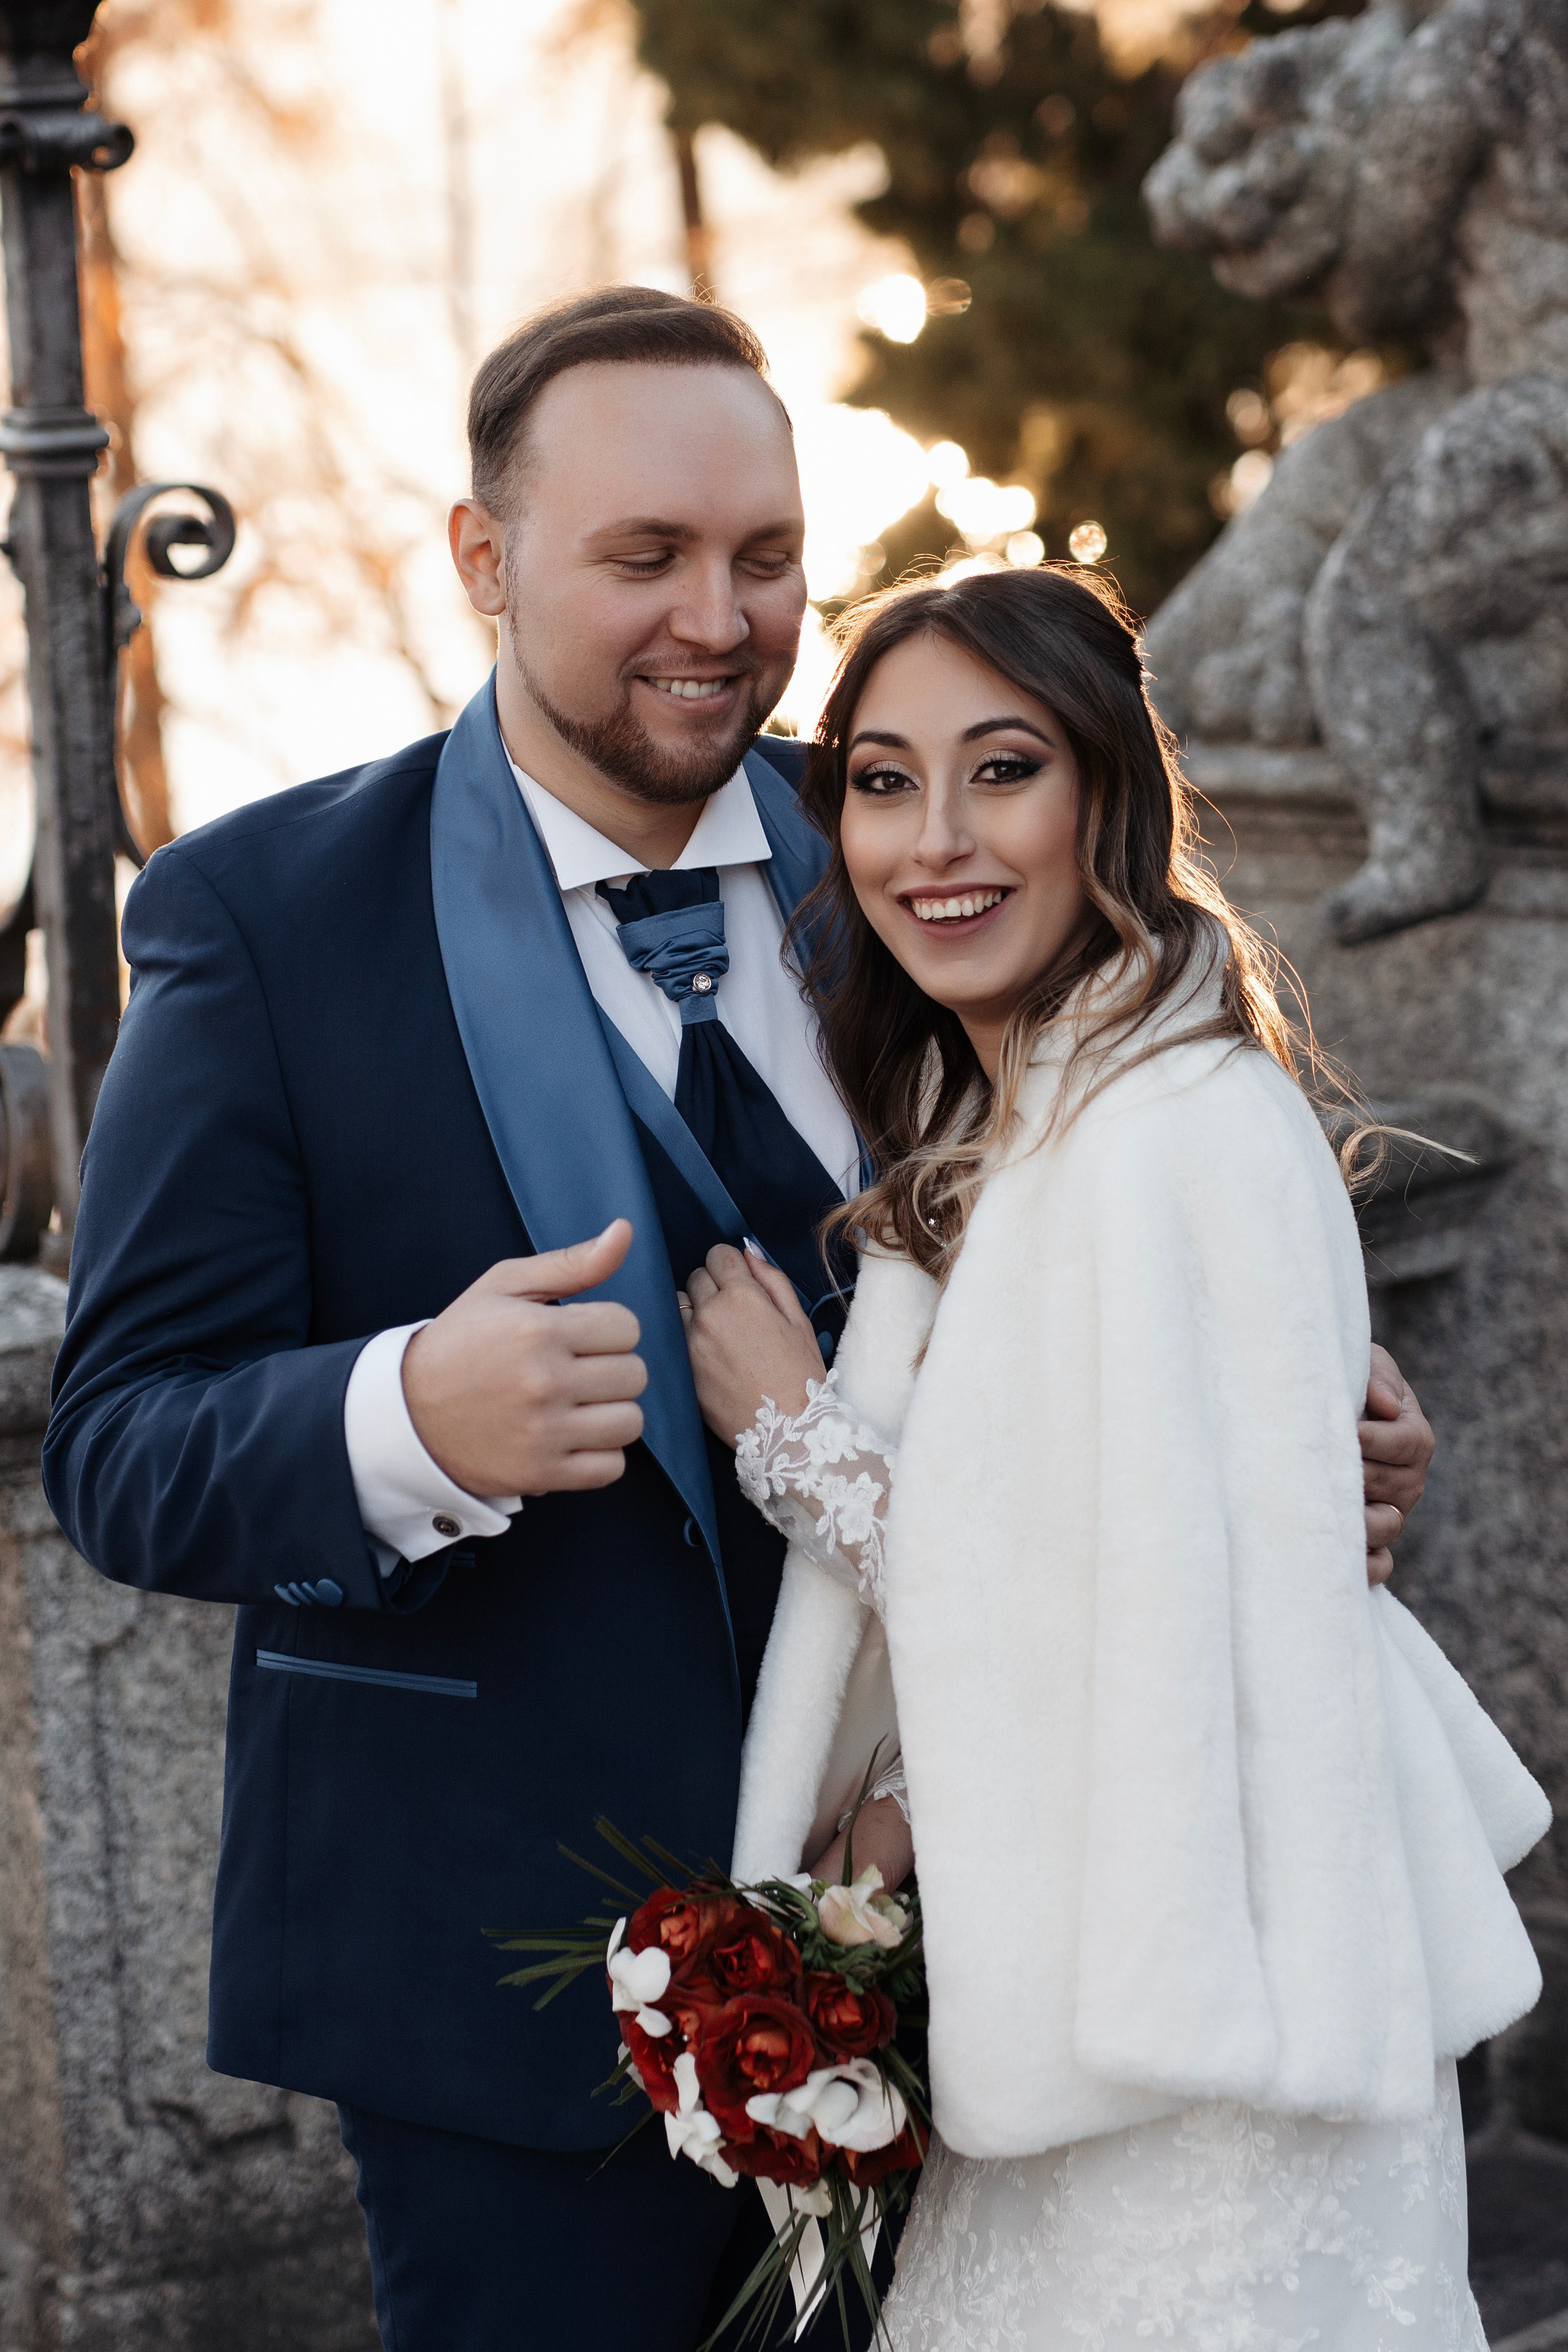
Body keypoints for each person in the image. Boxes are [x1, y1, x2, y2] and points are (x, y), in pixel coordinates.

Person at [42, 289, 1433, 2352]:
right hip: (501, 1983)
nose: (720, 618)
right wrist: (400, 1413)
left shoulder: (921, 838)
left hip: (978, 1934)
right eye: (647, 556)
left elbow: (1123, 1214)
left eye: (766, 555)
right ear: (485, 558)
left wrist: (1293, 1411)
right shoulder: (265, 920)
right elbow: (118, 1445)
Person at [681, 564, 1548, 2351]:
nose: (936, 838)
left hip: (1210, 2049)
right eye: (884, 781)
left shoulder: (1172, 1127)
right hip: (1097, 1995)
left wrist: (793, 1441)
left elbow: (1136, 1615)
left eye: (1003, 770)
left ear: (1109, 799)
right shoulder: (1026, 1108)